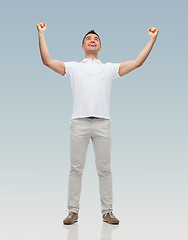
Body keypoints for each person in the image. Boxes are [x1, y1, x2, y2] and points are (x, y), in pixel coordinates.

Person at [36, 22, 159, 225]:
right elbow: (47, 61)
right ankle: (72, 212)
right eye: (88, 39)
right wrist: (41, 34)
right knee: (76, 169)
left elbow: (137, 62)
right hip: (79, 123)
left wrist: (152, 40)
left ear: (100, 47)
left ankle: (108, 212)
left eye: (96, 39)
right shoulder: (73, 67)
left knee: (105, 170)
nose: (92, 40)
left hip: (103, 124)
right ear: (82, 46)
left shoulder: (109, 69)